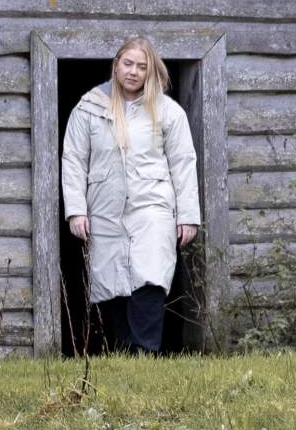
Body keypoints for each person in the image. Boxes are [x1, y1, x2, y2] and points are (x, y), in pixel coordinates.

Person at [60, 36, 202, 355]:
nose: (134, 72)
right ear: (116, 65)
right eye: (128, 64)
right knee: (112, 280)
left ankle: (145, 350)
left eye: (142, 66)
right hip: (105, 209)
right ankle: (125, 351)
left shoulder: (167, 111)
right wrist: (76, 210)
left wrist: (188, 216)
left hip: (153, 207)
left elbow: (183, 162)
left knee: (150, 276)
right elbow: (73, 159)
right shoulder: (90, 107)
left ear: (151, 71)